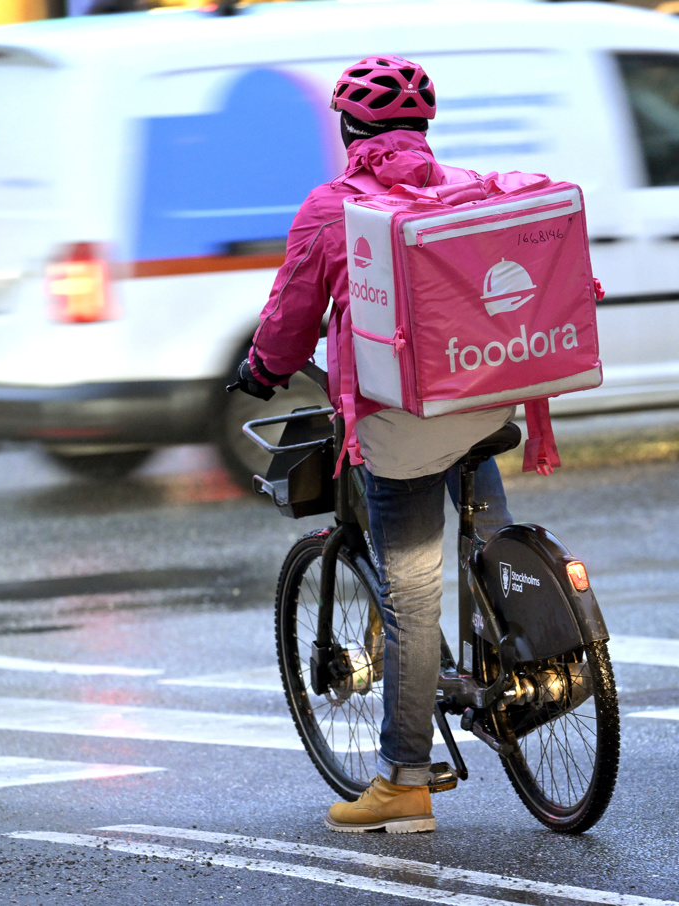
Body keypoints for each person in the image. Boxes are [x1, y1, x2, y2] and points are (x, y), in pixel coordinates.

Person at [232, 56, 515, 833]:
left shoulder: (334, 207)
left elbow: (291, 317)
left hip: (401, 425)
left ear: (351, 128)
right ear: (424, 127)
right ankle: (526, 644)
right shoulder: (464, 189)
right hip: (484, 396)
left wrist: (261, 370)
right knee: (484, 530)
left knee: (410, 595)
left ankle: (404, 782)